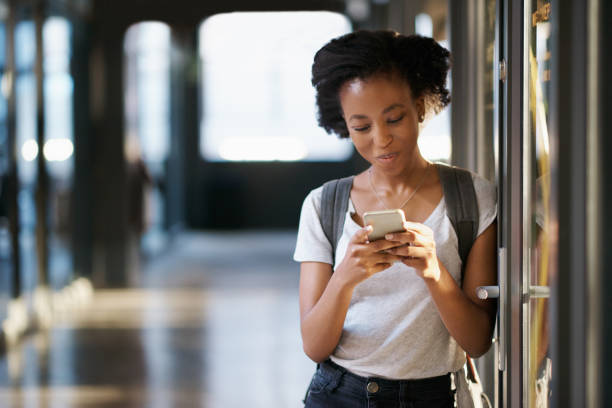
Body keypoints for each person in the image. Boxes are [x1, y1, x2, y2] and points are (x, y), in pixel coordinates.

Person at [293, 30, 497, 407]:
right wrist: (346, 277)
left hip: (435, 396)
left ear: (420, 106)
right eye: (362, 127)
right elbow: (314, 345)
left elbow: (477, 341)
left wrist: (434, 270)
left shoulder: (472, 197)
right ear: (344, 124)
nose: (382, 139)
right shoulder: (324, 205)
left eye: (394, 118)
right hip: (340, 394)